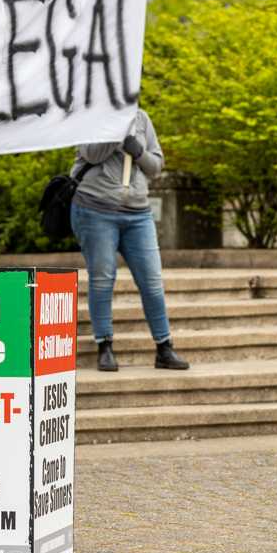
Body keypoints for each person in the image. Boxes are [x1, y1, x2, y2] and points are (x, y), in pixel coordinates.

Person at [70, 108, 189, 372]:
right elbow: (91, 154)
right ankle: (105, 346)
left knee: (152, 280)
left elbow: (156, 166)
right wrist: (116, 133)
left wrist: (138, 151)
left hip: (137, 213)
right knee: (103, 278)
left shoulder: (143, 118)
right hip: (95, 208)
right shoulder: (92, 114)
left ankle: (164, 347)